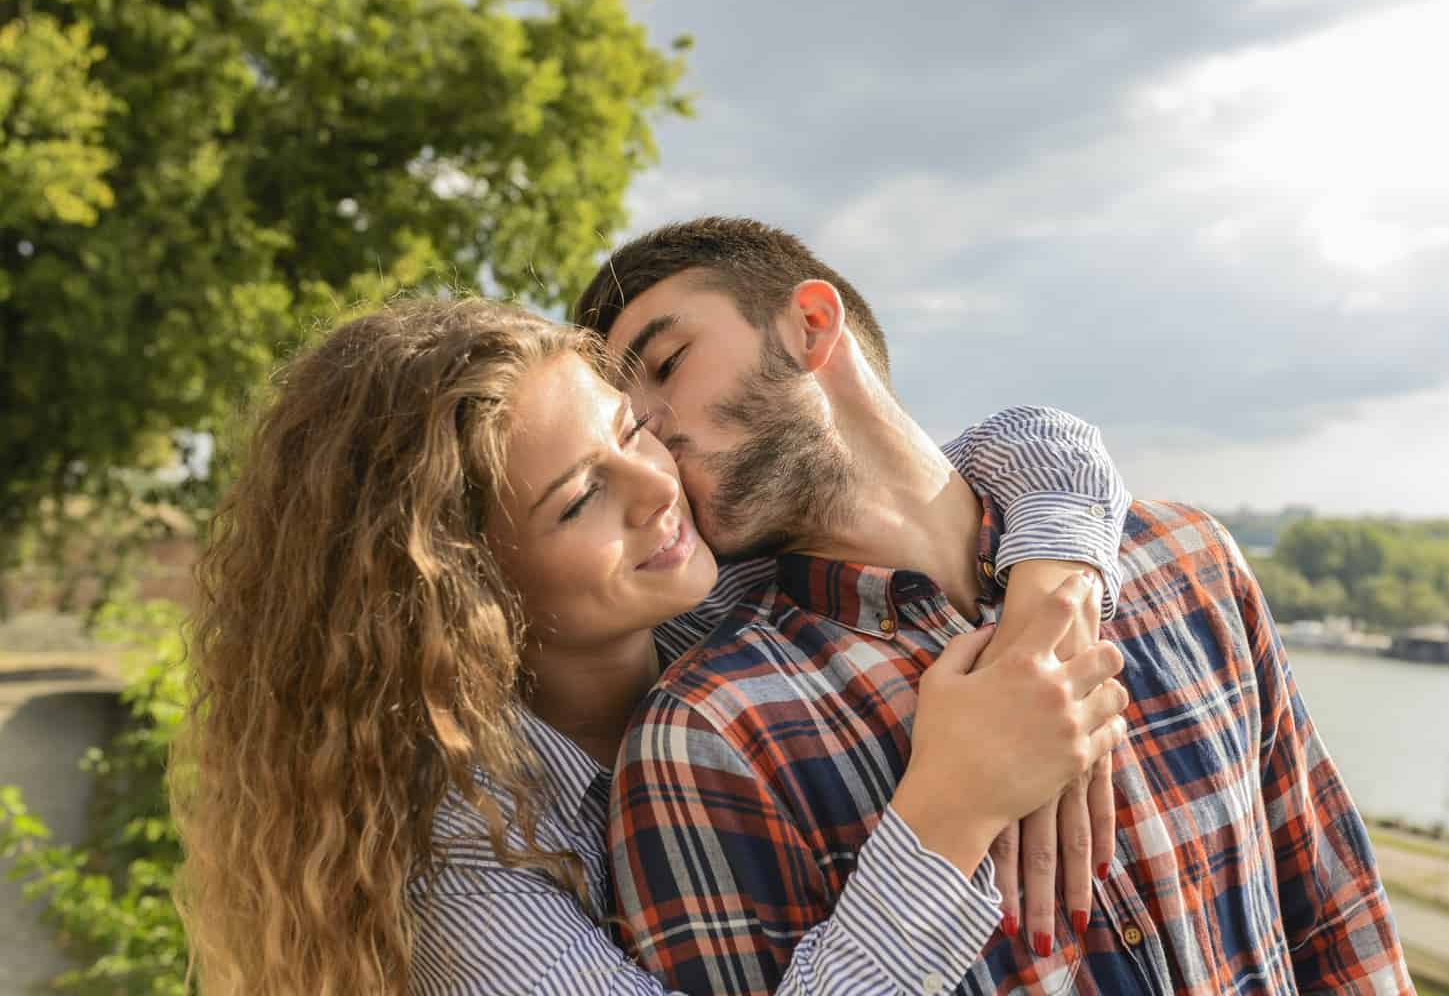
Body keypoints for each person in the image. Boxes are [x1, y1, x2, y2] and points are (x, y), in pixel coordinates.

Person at [173, 296, 1136, 995]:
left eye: (634, 428)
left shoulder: (717, 591)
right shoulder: (461, 865)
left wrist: (1048, 610)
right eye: (583, 498)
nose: (656, 486)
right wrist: (951, 810)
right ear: (464, 591)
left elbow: (1023, 447)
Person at [575, 217, 1413, 995]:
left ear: (812, 326)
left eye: (668, 363)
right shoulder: (705, 739)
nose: (651, 428)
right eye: (625, 422)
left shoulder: (1188, 561)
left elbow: (1337, 922)